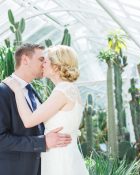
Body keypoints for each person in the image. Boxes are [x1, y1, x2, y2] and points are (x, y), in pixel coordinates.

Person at [4, 45, 89, 175]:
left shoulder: (63, 91)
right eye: (41, 60)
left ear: (56, 66)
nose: (43, 64)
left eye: (45, 60)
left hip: (60, 159)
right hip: (57, 157)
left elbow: (29, 121)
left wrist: (17, 90)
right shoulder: (66, 89)